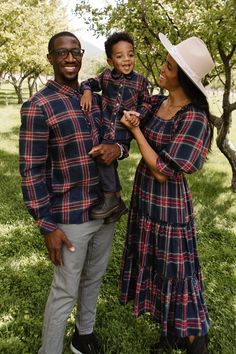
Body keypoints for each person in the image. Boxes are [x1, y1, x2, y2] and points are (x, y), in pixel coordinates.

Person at [19, 31, 125, 354]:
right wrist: (47, 225)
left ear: (81, 56)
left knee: (93, 280)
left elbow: (117, 135)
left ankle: (83, 337)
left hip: (104, 210)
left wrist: (117, 149)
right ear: (50, 58)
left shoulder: (92, 97)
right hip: (70, 216)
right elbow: (31, 171)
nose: (70, 58)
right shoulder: (38, 106)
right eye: (62, 53)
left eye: (75, 52)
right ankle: (49, 350)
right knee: (65, 289)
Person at [120, 33, 215, 354]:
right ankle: (170, 333)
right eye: (165, 63)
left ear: (183, 78)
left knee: (177, 272)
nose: (162, 69)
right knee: (158, 268)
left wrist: (136, 132)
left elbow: (162, 170)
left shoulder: (194, 118)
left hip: (169, 208)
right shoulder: (159, 104)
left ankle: (195, 341)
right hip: (145, 201)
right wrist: (134, 120)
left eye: (170, 67)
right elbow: (135, 115)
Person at [80, 31, 151, 223]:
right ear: (111, 61)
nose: (127, 59)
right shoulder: (105, 77)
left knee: (105, 158)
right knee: (101, 160)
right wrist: (86, 91)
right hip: (105, 130)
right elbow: (88, 82)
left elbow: (146, 103)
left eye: (130, 54)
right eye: (120, 56)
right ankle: (114, 204)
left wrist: (139, 115)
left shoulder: (141, 81)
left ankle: (112, 197)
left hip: (121, 135)